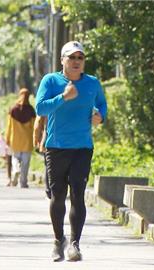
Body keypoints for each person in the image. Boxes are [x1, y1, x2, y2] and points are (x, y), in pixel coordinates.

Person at [35, 41, 107, 262]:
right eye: (71, 57)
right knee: (57, 196)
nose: (76, 61)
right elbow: (40, 108)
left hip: (83, 147)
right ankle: (59, 241)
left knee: (78, 194)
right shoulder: (51, 81)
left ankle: (75, 244)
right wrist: (63, 97)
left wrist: (100, 117)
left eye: (80, 58)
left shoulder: (92, 83)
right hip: (56, 146)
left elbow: (102, 105)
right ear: (63, 60)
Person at [5, 88, 36, 188]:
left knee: (15, 158)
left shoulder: (13, 109)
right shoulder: (31, 110)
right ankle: (23, 182)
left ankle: (16, 169)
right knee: (25, 163)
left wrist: (7, 137)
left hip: (15, 139)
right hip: (27, 140)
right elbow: (35, 126)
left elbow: (9, 125)